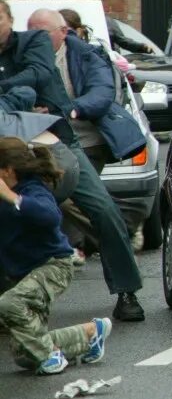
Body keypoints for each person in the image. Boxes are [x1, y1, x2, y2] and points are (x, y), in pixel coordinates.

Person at [0, 1, 145, 321]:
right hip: (8, 150)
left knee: (103, 210)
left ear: (10, 19)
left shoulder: (34, 41)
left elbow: (35, 76)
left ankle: (126, 290)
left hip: (57, 141)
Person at [0, 137, 113, 375]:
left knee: (9, 303)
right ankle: (90, 333)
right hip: (23, 274)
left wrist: (13, 199)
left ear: (8, 171)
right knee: (24, 354)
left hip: (52, 266)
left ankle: (51, 355)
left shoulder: (32, 189)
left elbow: (50, 217)